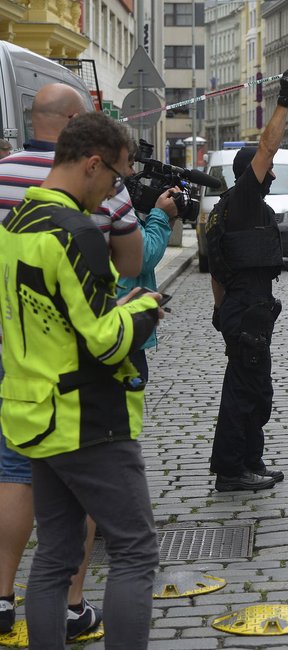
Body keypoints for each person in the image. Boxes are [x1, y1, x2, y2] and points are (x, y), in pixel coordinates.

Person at [0, 111, 162, 649]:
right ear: (92, 164)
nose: (113, 190)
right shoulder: (77, 235)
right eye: (115, 178)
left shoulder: (15, 225)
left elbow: (54, 314)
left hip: (33, 413)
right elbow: (106, 341)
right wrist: (143, 311)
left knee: (54, 556)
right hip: (87, 420)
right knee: (137, 550)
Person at [205, 66, 288, 492]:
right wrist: (284, 99)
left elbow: (216, 262)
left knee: (255, 389)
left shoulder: (235, 210)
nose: (274, 174)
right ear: (252, 174)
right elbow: (267, 147)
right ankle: (231, 470)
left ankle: (250, 460)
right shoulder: (243, 201)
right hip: (246, 312)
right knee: (245, 392)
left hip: (245, 310)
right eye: (268, 170)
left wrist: (218, 306)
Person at [116, 140, 181, 384]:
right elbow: (143, 256)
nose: (133, 173)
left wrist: (167, 218)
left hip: (121, 321)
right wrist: (161, 214)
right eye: (129, 164)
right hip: (121, 324)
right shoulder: (113, 203)